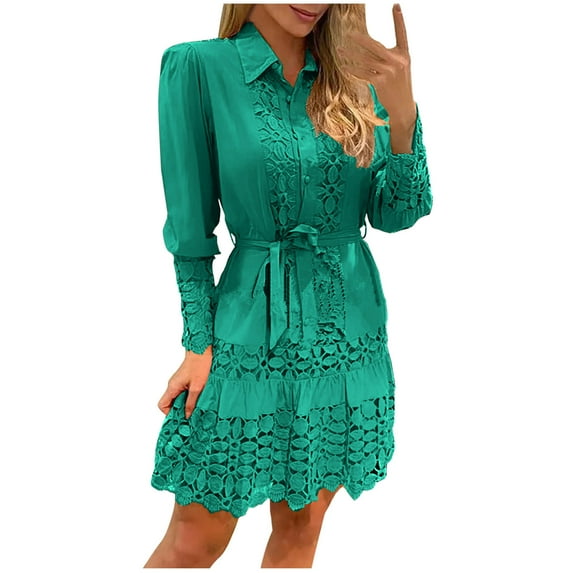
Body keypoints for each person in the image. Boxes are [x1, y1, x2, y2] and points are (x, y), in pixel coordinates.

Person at [144, 2, 432, 568]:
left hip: (345, 337)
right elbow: (190, 230)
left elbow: (398, 212)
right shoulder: (198, 68)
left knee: (301, 529)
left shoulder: (357, 76)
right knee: (195, 540)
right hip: (248, 332)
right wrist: (198, 343)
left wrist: (402, 117)